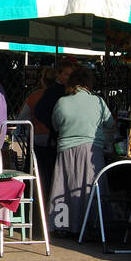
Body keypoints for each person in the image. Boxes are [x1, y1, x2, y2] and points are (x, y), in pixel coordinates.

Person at [49, 66, 116, 237]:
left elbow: (56, 125)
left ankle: (62, 225)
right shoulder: (98, 101)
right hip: (92, 151)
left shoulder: (62, 102)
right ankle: (93, 225)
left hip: (66, 150)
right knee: (91, 189)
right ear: (88, 84)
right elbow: (110, 123)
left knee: (63, 189)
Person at [32, 60, 74, 192]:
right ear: (59, 75)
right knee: (51, 175)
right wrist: (53, 125)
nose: (69, 78)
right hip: (54, 140)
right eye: (67, 74)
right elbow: (39, 111)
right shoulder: (54, 91)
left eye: (71, 75)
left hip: (57, 139)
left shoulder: (69, 91)